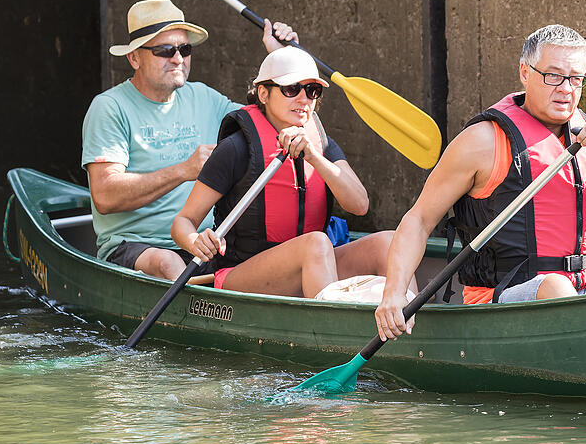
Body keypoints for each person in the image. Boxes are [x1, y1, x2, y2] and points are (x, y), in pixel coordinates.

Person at [374, 24, 586, 341]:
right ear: (524, 72)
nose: (566, 89)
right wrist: (394, 293)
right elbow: (419, 220)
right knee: (555, 287)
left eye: (576, 79)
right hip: (507, 297)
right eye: (553, 76)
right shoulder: (482, 142)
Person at [81, 0, 295, 280]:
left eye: (185, 49)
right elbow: (105, 196)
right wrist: (184, 170)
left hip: (207, 243)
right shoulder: (109, 107)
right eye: (165, 50)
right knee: (169, 262)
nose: (178, 59)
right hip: (137, 246)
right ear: (134, 58)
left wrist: (280, 60)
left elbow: (272, 116)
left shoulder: (203, 97)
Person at [170, 45, 408, 298]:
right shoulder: (235, 149)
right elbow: (183, 223)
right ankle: (330, 331)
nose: (303, 99)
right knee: (316, 244)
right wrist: (196, 241)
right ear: (263, 93)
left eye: (312, 91)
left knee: (390, 243)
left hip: (312, 262)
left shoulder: (322, 145)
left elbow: (359, 205)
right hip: (242, 273)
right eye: (291, 89)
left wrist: (315, 158)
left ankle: (411, 328)